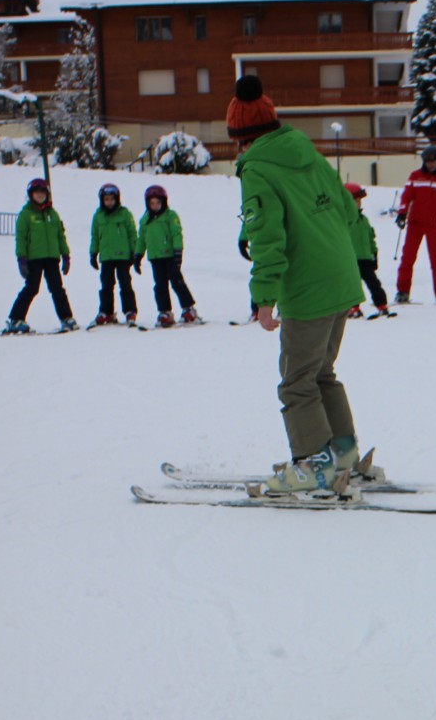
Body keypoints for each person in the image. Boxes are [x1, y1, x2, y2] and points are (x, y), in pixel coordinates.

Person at [227, 75, 369, 493]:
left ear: (242, 138)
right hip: (341, 278)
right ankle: (343, 454)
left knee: (296, 381)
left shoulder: (257, 168)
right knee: (322, 372)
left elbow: (268, 238)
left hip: (308, 288)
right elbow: (347, 211)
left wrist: (263, 298)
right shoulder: (308, 153)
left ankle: (313, 465)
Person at [4, 178, 76, 334]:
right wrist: (22, 259)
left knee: (57, 288)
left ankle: (66, 317)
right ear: (31, 195)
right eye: (36, 193)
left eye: (42, 193)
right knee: (32, 288)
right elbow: (21, 238)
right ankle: (16, 318)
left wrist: (66, 255)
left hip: (51, 258)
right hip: (34, 259)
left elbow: (60, 236)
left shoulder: (53, 214)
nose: (40, 195)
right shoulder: (26, 215)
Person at [394, 145, 436, 305]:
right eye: (428, 161)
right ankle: (402, 291)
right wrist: (402, 213)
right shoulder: (416, 176)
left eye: (433, 161)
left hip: (435, 225)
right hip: (415, 223)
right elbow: (406, 196)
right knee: (407, 258)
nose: (430, 164)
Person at [140, 184, 200, 327]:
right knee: (160, 286)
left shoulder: (170, 216)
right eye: (152, 203)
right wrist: (138, 255)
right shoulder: (145, 219)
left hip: (170, 256)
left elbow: (176, 234)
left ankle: (189, 309)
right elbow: (141, 239)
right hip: (155, 258)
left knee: (177, 282)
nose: (155, 206)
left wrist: (178, 251)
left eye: (158, 203)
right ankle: (165, 312)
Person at [88, 182, 140, 327]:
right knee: (106, 285)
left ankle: (130, 311)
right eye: (106, 199)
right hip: (107, 257)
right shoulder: (98, 216)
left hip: (123, 256)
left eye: (112, 199)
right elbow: (95, 236)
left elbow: (132, 234)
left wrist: (134, 252)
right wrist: (93, 253)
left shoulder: (124, 214)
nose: (109, 202)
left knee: (125, 284)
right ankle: (106, 312)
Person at [344, 182, 393, 318]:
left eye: (359, 201)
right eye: (355, 201)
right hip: (350, 259)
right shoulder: (343, 220)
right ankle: (353, 308)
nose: (358, 203)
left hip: (365, 258)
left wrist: (374, 253)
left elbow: (370, 238)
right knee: (353, 286)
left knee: (374, 283)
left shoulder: (363, 220)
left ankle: (382, 305)